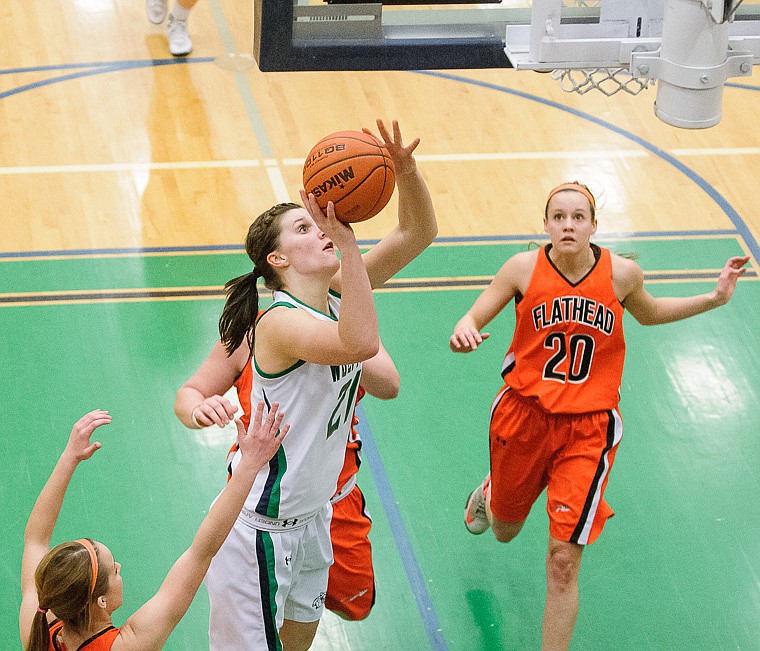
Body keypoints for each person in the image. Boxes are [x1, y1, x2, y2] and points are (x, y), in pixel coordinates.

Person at [450, 181, 749, 651]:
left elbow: (648, 314)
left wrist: (712, 298)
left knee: (563, 561)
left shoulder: (622, 274)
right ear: (546, 224)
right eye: (558, 217)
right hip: (522, 418)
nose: (568, 224)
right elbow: (472, 317)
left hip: (589, 430)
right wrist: (464, 330)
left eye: (578, 216)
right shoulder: (522, 269)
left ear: (593, 224)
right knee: (505, 531)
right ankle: (489, 493)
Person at [202, 118, 436, 651]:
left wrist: (407, 173)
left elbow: (416, 233)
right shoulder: (279, 322)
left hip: (313, 517)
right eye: (304, 228)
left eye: (316, 222)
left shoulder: (332, 294)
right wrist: (349, 246)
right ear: (277, 260)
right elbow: (359, 344)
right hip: (259, 523)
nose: (320, 228)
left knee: (300, 643)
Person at [19, 404, 288, 651]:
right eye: (113, 570)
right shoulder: (128, 646)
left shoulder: (39, 630)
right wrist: (250, 465)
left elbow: (36, 539)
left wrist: (70, 457)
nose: (119, 567)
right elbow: (201, 552)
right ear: (100, 601)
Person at [175, 338, 399, 622]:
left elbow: (390, 385)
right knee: (261, 620)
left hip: (332, 503)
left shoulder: (349, 330)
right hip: (263, 512)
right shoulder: (250, 333)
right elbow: (190, 392)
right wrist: (198, 410)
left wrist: (345, 336)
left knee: (355, 606)